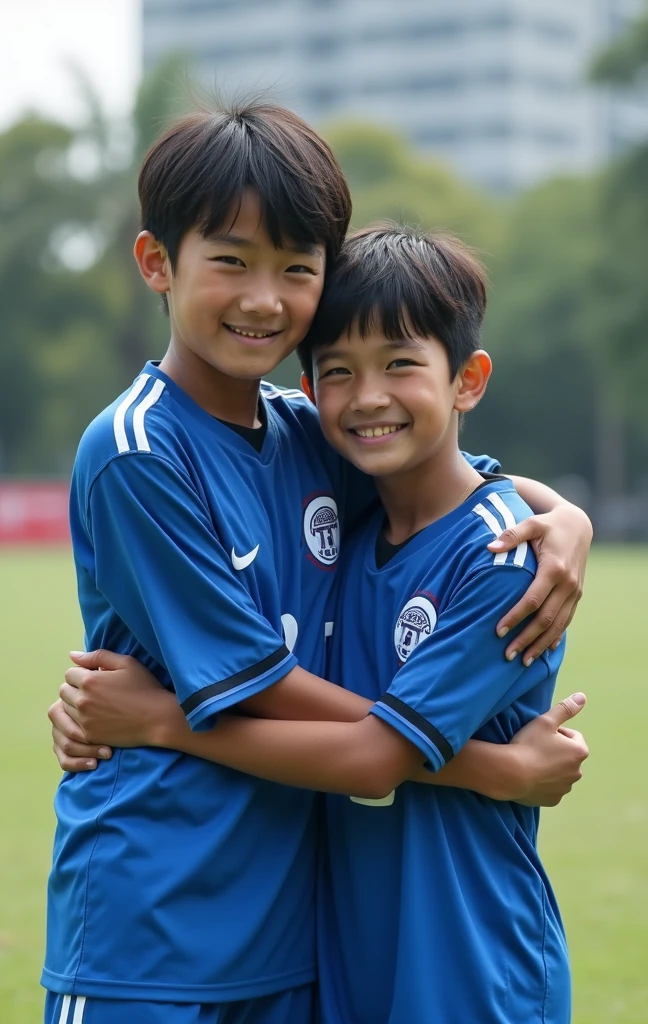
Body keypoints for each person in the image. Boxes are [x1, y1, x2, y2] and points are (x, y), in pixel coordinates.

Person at [46, 102, 590, 1024]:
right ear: (156, 263)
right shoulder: (139, 451)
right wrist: (487, 768)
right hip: (155, 932)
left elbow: (434, 471)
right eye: (230, 261)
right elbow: (271, 691)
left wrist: (557, 511)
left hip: (297, 939)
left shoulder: (309, 433)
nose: (264, 298)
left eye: (296, 269)